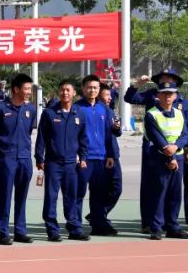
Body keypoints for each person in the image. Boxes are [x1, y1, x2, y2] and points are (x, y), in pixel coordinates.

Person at [125, 71, 185, 232]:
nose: (165, 81)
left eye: (169, 79)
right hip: (154, 145)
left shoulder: (181, 102)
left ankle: (169, 222)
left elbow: (184, 128)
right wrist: (137, 85)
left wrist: (180, 147)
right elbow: (130, 99)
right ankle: (149, 222)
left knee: (173, 188)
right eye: (162, 79)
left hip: (176, 148)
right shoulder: (151, 94)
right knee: (151, 184)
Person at [35, 79, 90, 242]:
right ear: (59, 92)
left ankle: (74, 228)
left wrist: (83, 157)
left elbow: (83, 138)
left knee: (71, 197)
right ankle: (52, 230)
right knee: (51, 197)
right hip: (53, 163)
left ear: (74, 93)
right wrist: (39, 158)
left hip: (71, 164)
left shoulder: (79, 113)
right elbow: (41, 138)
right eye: (62, 90)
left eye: (68, 90)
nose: (65, 93)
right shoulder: (49, 113)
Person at [74, 74, 120, 236]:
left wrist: (110, 155)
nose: (92, 90)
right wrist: (77, 155)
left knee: (99, 194)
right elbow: (72, 135)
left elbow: (109, 135)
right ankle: (76, 227)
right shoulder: (76, 108)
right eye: (89, 87)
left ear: (99, 89)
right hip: (83, 158)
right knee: (78, 193)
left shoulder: (104, 109)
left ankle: (98, 225)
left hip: (101, 158)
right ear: (83, 88)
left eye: (95, 87)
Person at [0, 73, 38, 244]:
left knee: (22, 195)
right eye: (26, 88)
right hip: (7, 158)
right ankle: (3, 232)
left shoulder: (31, 109)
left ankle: (20, 230)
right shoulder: (1, 108)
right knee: (5, 195)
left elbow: (28, 132)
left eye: (29, 89)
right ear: (16, 89)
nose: (28, 92)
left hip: (25, 158)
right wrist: (1, 153)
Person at [142, 78, 188, 240]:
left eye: (170, 93)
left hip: (178, 156)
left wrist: (176, 148)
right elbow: (157, 138)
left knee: (175, 194)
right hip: (159, 157)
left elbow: (185, 135)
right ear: (158, 95)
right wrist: (170, 155)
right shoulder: (151, 114)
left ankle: (173, 226)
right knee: (159, 192)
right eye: (164, 93)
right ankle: (156, 227)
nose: (167, 96)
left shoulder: (180, 114)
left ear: (175, 96)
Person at [99, 84, 124, 227]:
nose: (110, 98)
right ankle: (99, 216)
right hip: (100, 155)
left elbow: (117, 133)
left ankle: (99, 213)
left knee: (116, 188)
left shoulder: (110, 111)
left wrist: (117, 127)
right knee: (101, 188)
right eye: (107, 95)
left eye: (110, 95)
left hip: (113, 154)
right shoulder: (94, 111)